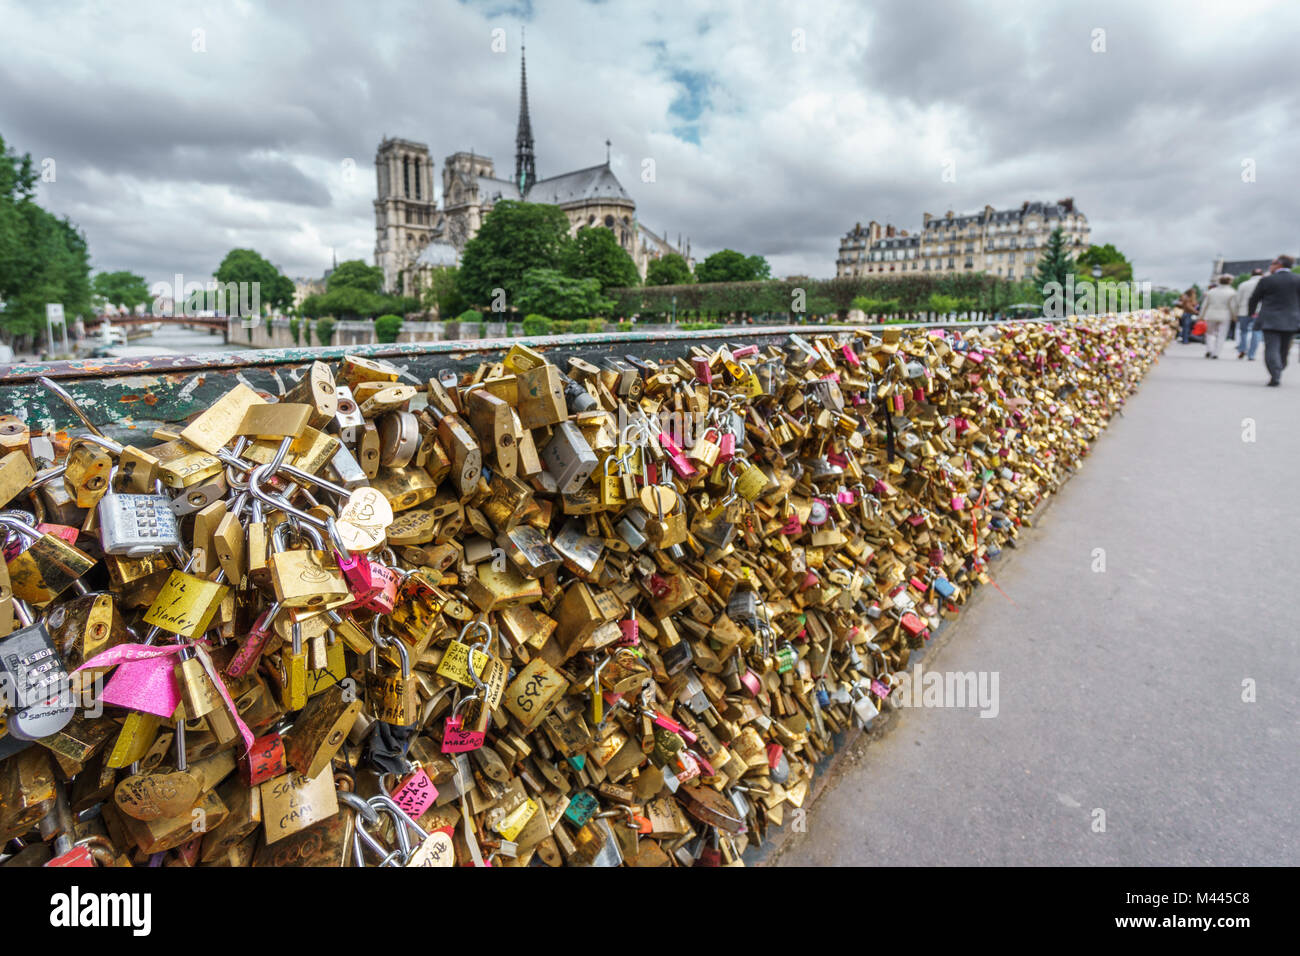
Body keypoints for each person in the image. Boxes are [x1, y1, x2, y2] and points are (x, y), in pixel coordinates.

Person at [1248, 255, 1300, 386]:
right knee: (1284, 348)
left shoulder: (1267, 280)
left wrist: (1251, 313)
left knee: (1271, 348)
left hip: (1270, 319)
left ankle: (1275, 373)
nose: (1270, 267)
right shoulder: (1297, 279)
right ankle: (1279, 367)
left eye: (1272, 264)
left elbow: (1254, 298)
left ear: (1279, 265)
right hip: (1292, 320)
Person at [1198, 275, 1237, 358]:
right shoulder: (1232, 292)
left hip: (1211, 314)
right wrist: (1234, 316)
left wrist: (1201, 316)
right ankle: (1216, 353)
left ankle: (1209, 349)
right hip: (1225, 315)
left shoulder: (1211, 292)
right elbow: (1232, 306)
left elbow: (1204, 305)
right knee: (1221, 335)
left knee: (1209, 333)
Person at [1235, 268, 1264, 360]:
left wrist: (1237, 311)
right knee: (1257, 332)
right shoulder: (1264, 284)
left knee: (1243, 331)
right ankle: (1252, 354)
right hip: (1259, 312)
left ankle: (1242, 348)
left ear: (1251, 275)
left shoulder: (1243, 284)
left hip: (1243, 311)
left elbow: (1238, 299)